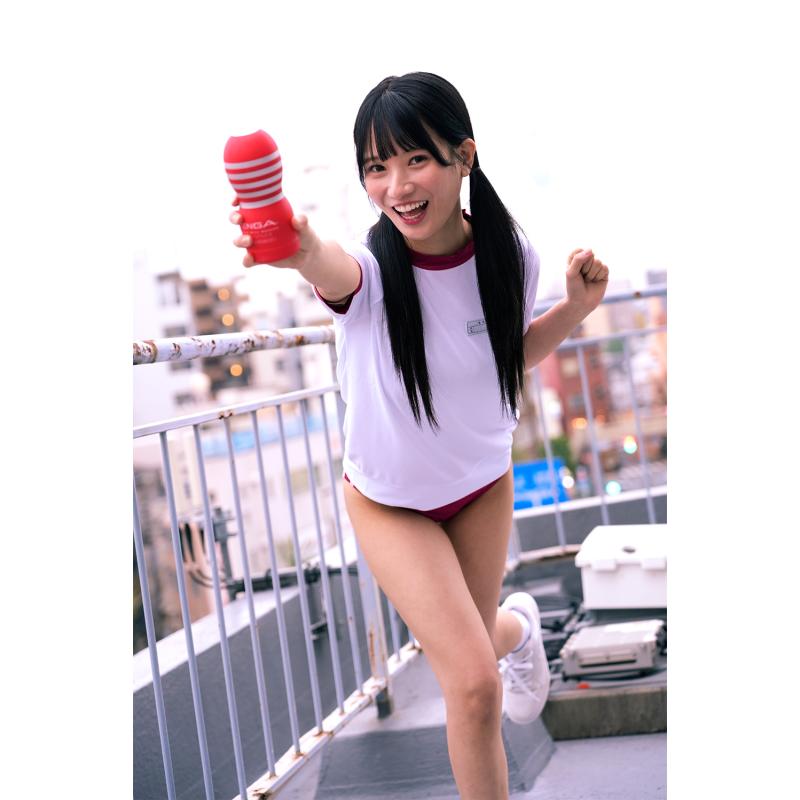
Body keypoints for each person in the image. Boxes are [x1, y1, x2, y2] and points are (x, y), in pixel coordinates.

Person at [231, 72, 609, 800]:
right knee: (473, 684)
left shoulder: (512, 255)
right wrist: (301, 248)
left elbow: (504, 359)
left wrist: (576, 308)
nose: (397, 186)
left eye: (416, 160)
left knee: (472, 647)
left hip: (482, 486)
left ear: (464, 156)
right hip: (391, 504)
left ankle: (517, 630)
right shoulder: (373, 271)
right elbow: (332, 268)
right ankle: (508, 635)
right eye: (377, 167)